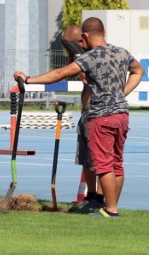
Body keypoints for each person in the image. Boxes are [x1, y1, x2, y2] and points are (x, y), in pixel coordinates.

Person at [14, 17, 144, 218]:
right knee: (117, 163)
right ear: (104, 33)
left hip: (101, 116)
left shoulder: (90, 57)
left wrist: (29, 80)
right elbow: (138, 70)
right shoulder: (121, 52)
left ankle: (111, 210)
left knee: (103, 165)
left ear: (85, 36)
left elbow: (60, 73)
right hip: (122, 115)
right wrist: (121, 93)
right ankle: (111, 207)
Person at [62, 24, 104, 213]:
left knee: (100, 160)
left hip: (98, 111)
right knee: (86, 158)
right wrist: (73, 56)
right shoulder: (81, 57)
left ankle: (102, 199)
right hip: (86, 111)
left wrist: (79, 60)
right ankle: (91, 196)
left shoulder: (94, 57)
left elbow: (89, 81)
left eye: (70, 45)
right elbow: (68, 73)